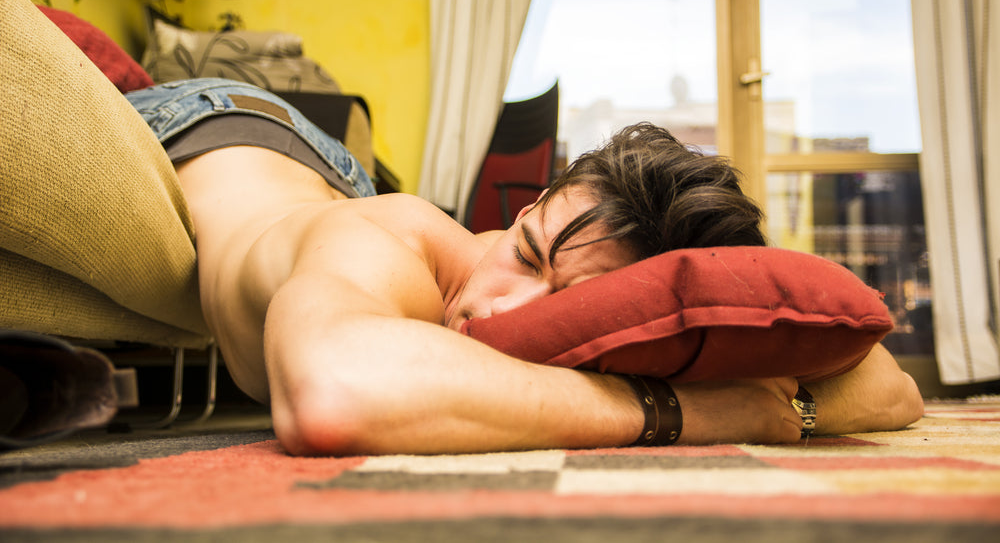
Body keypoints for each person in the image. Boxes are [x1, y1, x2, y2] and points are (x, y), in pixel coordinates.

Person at [122, 79, 924, 456]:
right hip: (211, 120)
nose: (507, 310)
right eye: (526, 248)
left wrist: (785, 397)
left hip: (330, 165)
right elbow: (331, 395)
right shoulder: (388, 245)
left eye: (569, 300)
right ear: (528, 204)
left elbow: (893, 384)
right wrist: (695, 410)